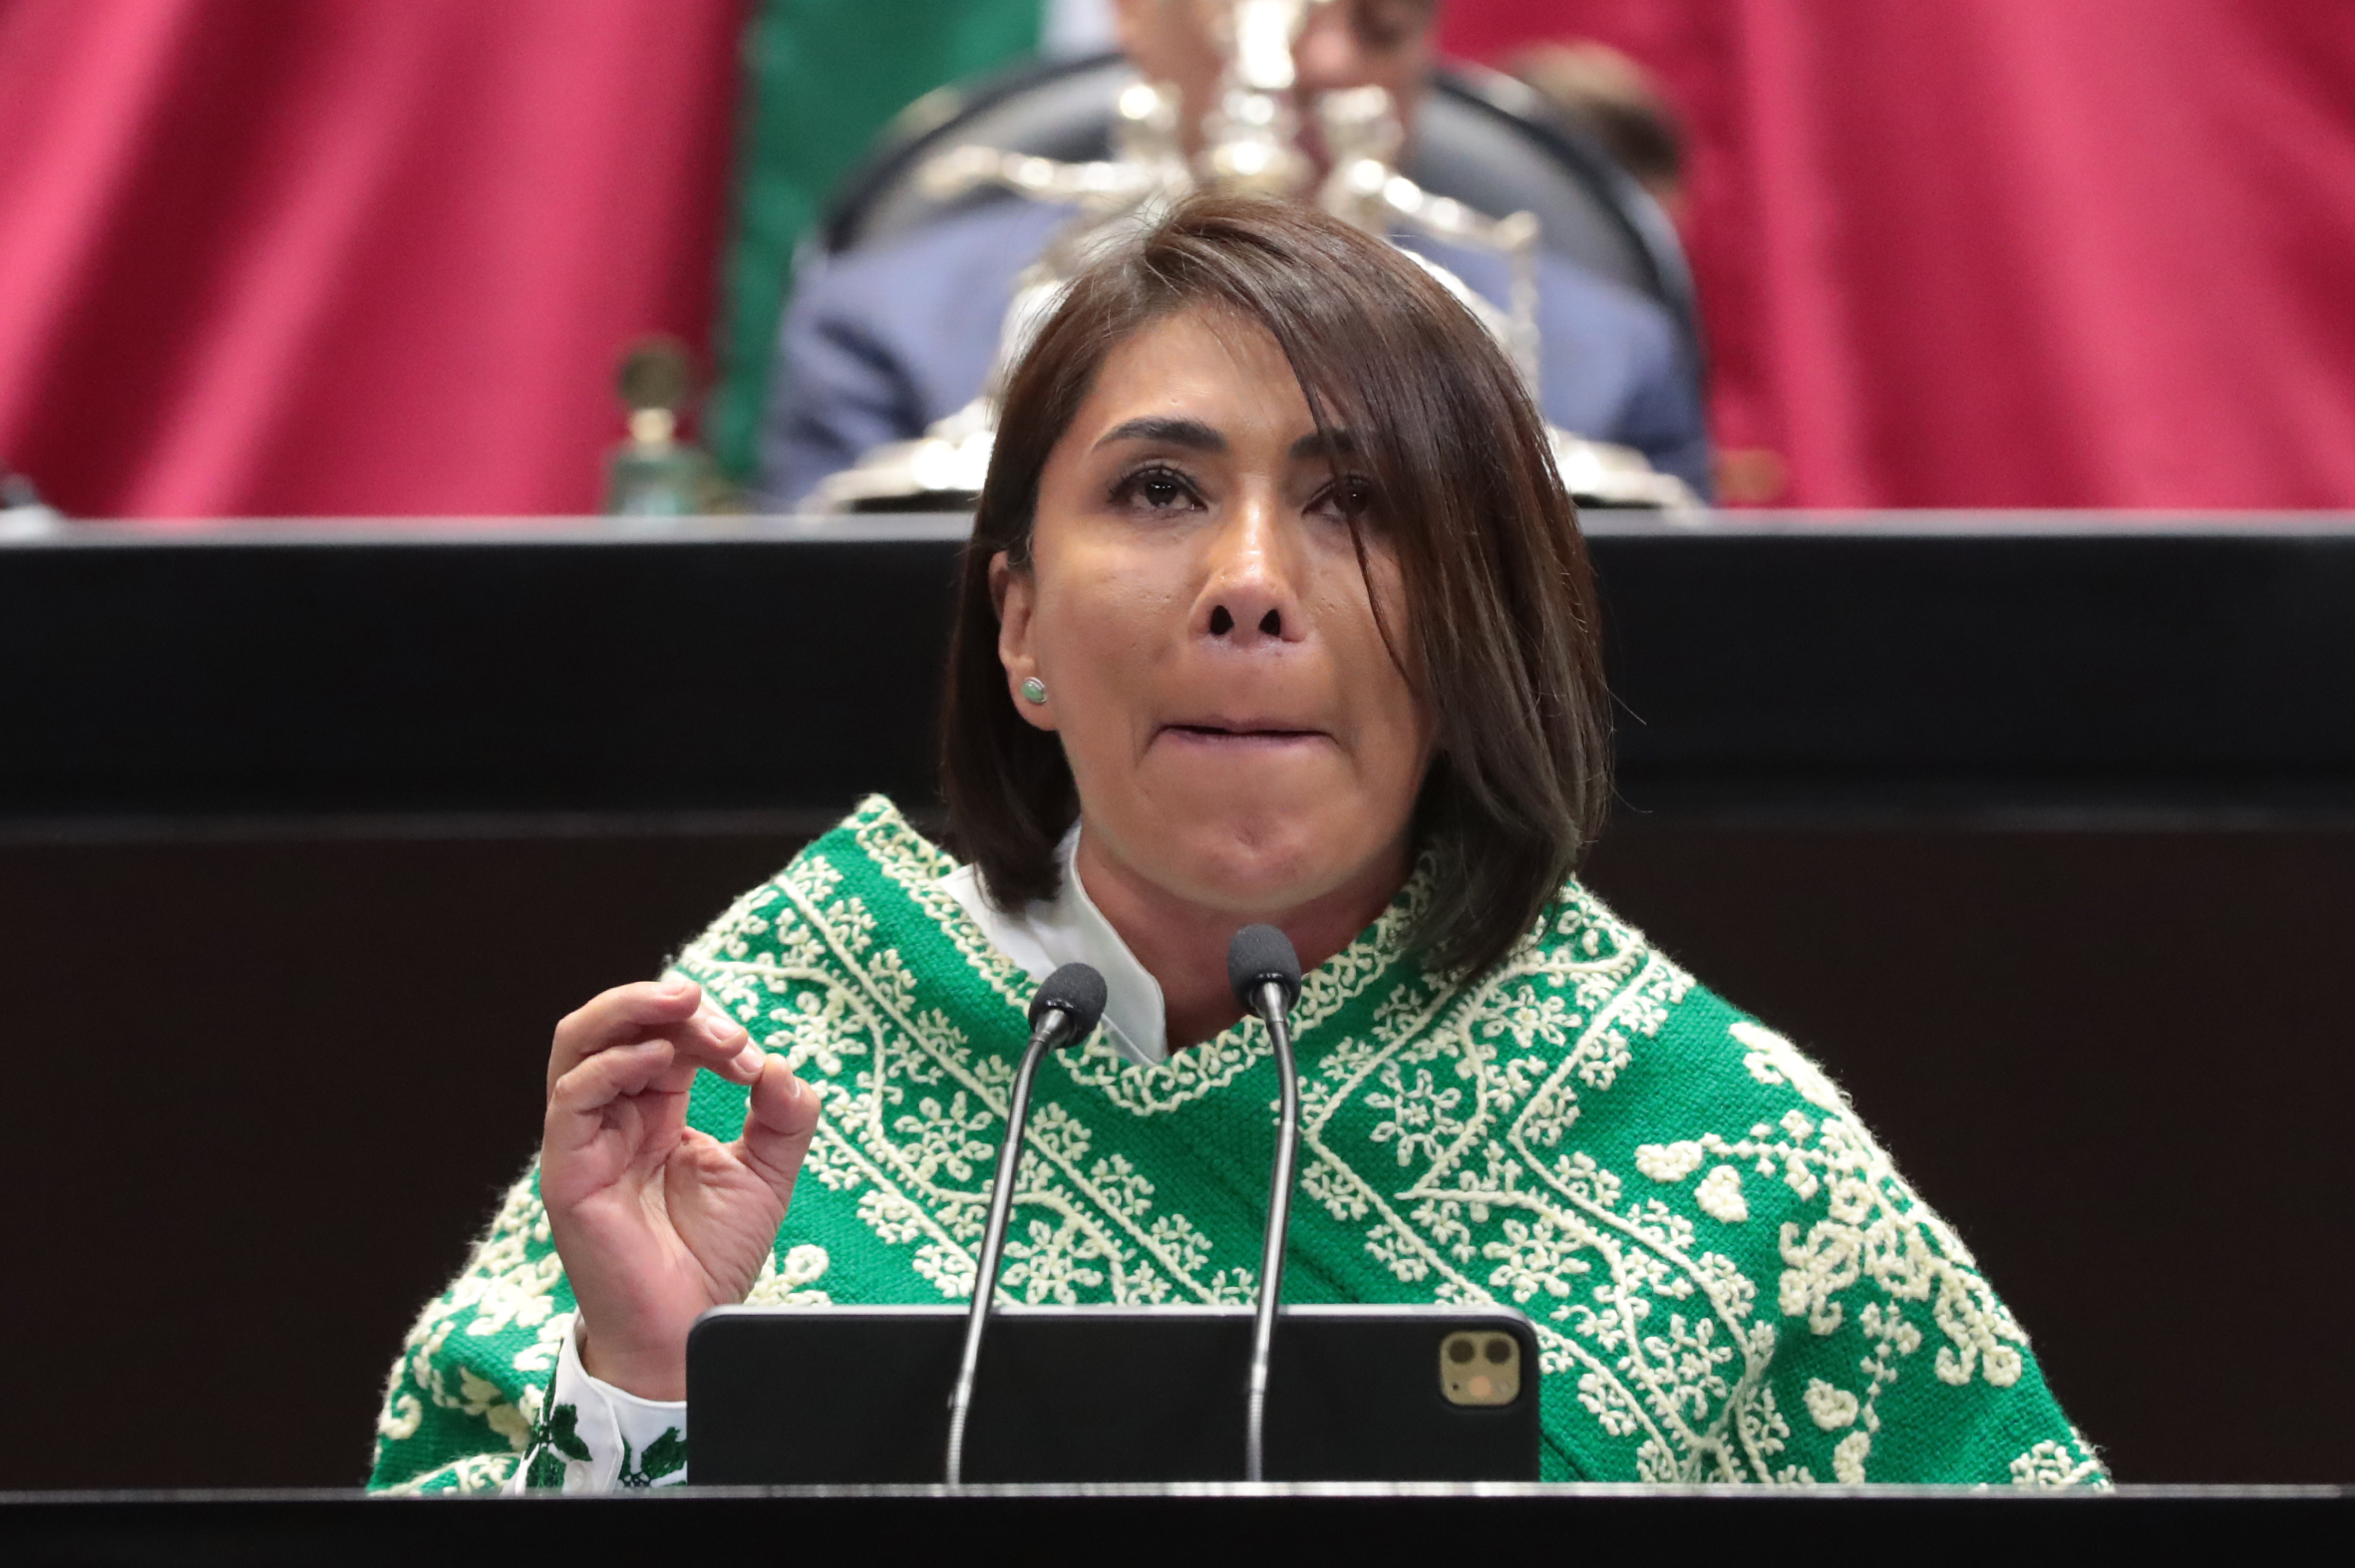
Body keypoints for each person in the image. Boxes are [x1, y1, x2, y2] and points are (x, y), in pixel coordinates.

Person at [371, 193, 2100, 1493]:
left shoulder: (1713, 1147)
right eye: (1158, 490)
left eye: (1356, 504)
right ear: (1018, 624)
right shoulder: (761, 1060)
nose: (1249, 582)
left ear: (1479, 627)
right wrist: (652, 1383)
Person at [762, 0, 1711, 508]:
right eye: (1263, 13)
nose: (1319, 61)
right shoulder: (887, 332)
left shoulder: (1605, 359)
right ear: (1135, 14)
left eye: (1379, 22)